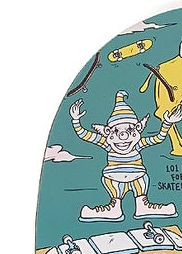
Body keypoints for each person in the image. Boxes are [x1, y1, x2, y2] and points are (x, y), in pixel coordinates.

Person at [68, 90, 175, 222]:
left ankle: (142, 205)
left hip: (137, 176)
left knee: (141, 181)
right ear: (108, 132)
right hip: (114, 178)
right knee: (113, 185)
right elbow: (85, 135)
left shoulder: (138, 144)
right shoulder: (107, 144)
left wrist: (167, 123)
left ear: (138, 129)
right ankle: (114, 208)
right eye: (116, 131)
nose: (123, 137)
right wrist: (76, 120)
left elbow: (158, 138)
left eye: (129, 130)